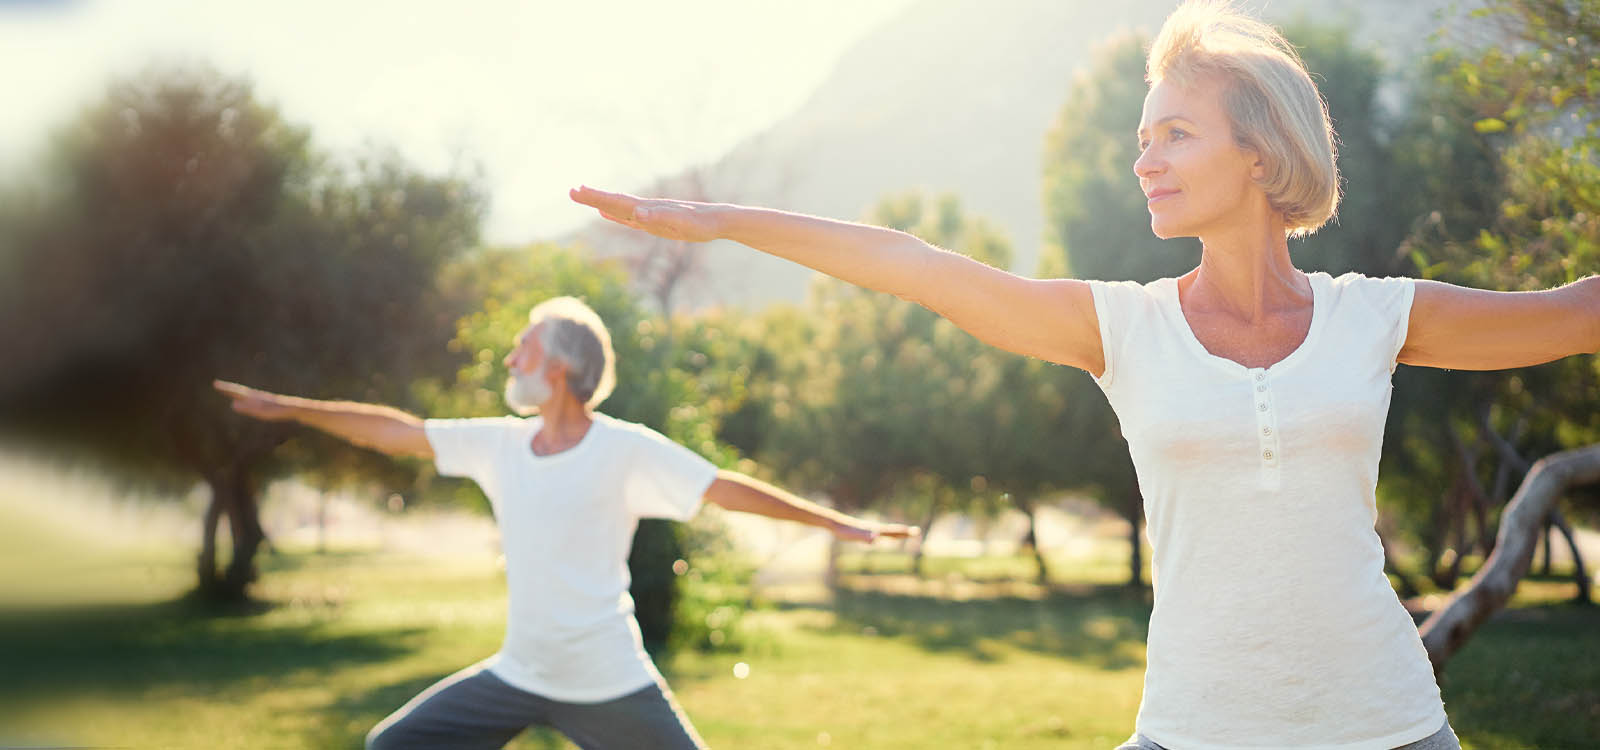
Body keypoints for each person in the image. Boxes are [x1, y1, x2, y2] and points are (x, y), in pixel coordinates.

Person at [569, 1, 1598, 747]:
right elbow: (912, 265)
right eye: (1140, 138)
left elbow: (1570, 315)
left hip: (1386, 724)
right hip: (1191, 728)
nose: (1144, 160)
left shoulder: (1373, 317)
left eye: (1176, 135)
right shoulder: (1122, 328)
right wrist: (715, 220)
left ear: (1259, 152)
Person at [214, 296, 916, 750]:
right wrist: (292, 408)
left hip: (608, 679)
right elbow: (395, 432)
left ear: (557, 369)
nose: (510, 359)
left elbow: (721, 488)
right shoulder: (499, 443)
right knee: (391, 748)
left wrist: (839, 525)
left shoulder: (624, 449)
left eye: (523, 348)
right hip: (519, 671)